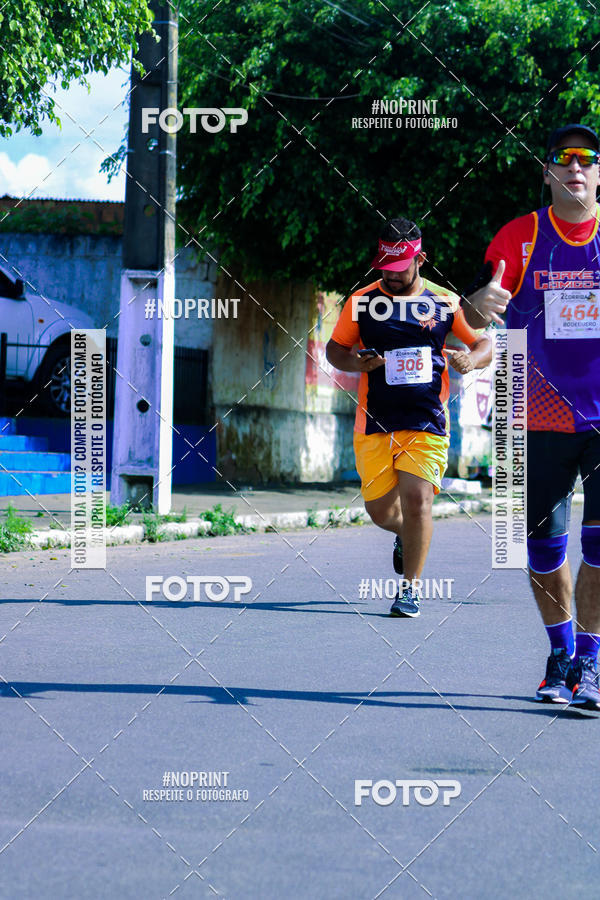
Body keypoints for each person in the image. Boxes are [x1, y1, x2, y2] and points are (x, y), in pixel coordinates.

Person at [464, 122, 600, 711]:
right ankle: (560, 653)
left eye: (588, 158)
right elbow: (476, 313)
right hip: (532, 409)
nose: (576, 166)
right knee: (541, 547)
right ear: (547, 172)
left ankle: (591, 665)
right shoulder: (519, 237)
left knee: (599, 547)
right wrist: (478, 304)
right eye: (563, 158)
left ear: (599, 174)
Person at [326, 217, 492, 617]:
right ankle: (405, 535)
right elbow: (335, 350)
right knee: (382, 511)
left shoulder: (446, 302)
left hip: (427, 421)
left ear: (420, 260)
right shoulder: (363, 301)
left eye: (400, 268)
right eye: (385, 267)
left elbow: (483, 341)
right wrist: (356, 363)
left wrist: (471, 359)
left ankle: (410, 589)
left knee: (417, 502)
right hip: (375, 423)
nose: (392, 275)